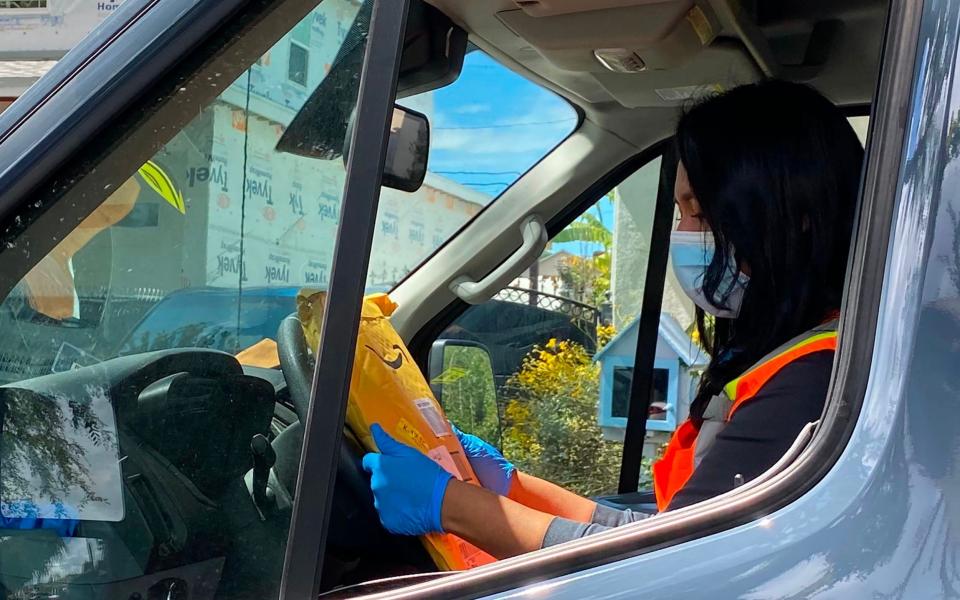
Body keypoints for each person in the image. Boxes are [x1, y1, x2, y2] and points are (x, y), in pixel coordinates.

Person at [362, 79, 865, 558]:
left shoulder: (810, 385)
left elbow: (665, 569)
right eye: (680, 213)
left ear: (795, 216)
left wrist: (452, 506)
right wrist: (508, 484)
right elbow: (656, 531)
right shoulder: (796, 361)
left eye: (703, 215)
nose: (684, 235)